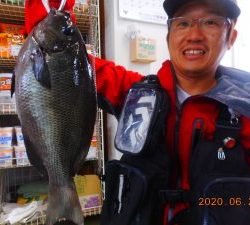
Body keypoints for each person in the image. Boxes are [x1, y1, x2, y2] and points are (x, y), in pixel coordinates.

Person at [24, 0, 250, 224]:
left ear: (231, 36)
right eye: (183, 23)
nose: (194, 35)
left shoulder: (244, 111)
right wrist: (55, 11)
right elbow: (60, 61)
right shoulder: (135, 93)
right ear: (169, 35)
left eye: (211, 22)